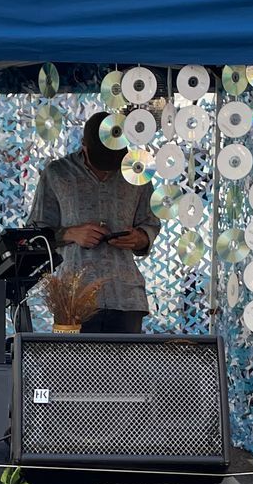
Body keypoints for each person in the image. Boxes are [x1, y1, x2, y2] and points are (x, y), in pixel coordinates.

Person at [28, 110, 162, 333]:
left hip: (126, 296)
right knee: (77, 357)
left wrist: (139, 238)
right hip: (74, 297)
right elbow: (34, 233)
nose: (107, 166)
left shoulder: (136, 170)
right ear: (84, 145)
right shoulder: (58, 173)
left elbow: (150, 222)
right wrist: (70, 234)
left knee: (127, 358)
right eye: (101, 159)